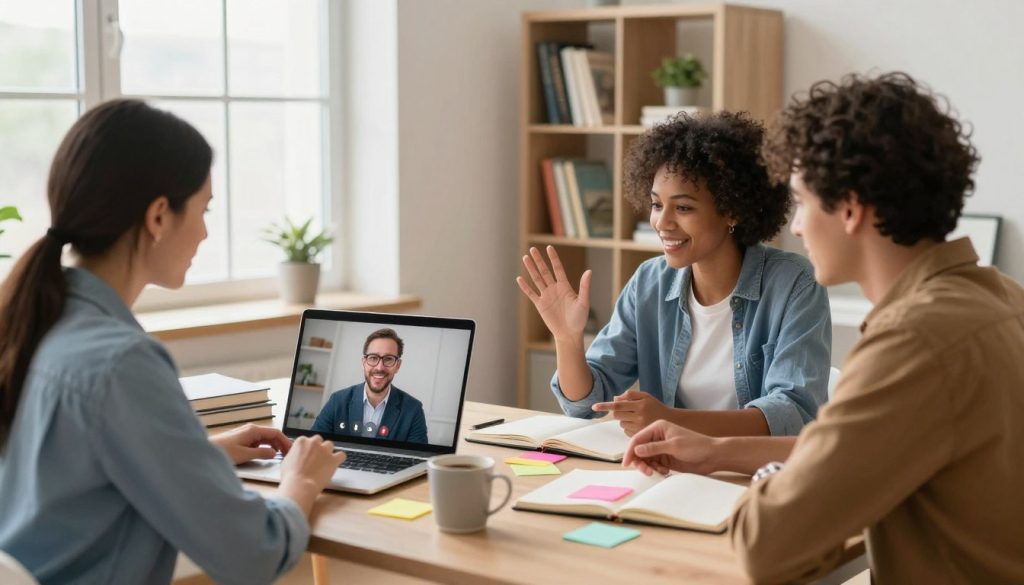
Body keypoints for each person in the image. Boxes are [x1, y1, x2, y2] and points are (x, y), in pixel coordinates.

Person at [624, 72, 1024, 583]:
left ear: (850, 209)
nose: (795, 225)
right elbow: (867, 450)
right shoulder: (1001, 297)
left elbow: (767, 545)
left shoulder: (914, 341)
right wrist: (718, 452)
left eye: (803, 201)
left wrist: (771, 475)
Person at [0, 99, 347, 584]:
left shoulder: (35, 325)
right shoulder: (120, 362)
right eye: (203, 209)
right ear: (159, 216)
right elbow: (255, 552)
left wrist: (202, 453)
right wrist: (302, 481)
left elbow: (68, 479)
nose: (205, 232)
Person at [517, 111, 831, 438]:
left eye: (683, 208)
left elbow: (793, 414)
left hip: (751, 476)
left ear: (732, 210)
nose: (662, 223)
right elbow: (585, 404)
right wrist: (567, 340)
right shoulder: (649, 282)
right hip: (670, 471)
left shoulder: (794, 283)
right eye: (656, 205)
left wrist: (670, 419)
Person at [310, 328, 429, 443]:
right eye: (373, 358)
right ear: (363, 363)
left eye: (388, 359)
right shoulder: (337, 400)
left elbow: (418, 459)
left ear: (397, 366)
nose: (379, 367)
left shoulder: (413, 409)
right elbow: (313, 445)